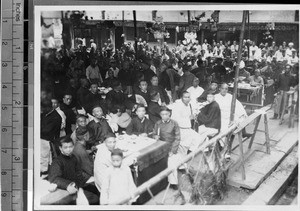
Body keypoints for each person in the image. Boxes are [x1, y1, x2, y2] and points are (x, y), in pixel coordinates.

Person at [48, 136, 99, 205]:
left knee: (96, 191)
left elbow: (78, 173)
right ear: (60, 148)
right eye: (65, 147)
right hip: (64, 190)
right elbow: (54, 178)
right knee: (94, 199)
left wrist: (84, 183)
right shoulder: (57, 162)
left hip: (76, 187)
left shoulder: (73, 158)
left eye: (70, 147)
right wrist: (67, 185)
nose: (69, 149)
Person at [153, 107, 181, 189]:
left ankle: (173, 183)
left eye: (166, 114)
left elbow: (177, 138)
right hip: (161, 147)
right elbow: (154, 133)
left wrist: (173, 150)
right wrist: (155, 136)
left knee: (171, 162)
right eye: (162, 114)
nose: (164, 116)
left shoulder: (174, 123)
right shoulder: (158, 123)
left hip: (172, 146)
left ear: (169, 114)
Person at [41, 99, 62, 174]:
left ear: (49, 107)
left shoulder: (56, 117)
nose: (41, 109)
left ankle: (44, 174)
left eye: (43, 108)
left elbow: (46, 130)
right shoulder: (45, 113)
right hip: (41, 140)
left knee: (44, 161)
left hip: (47, 141)